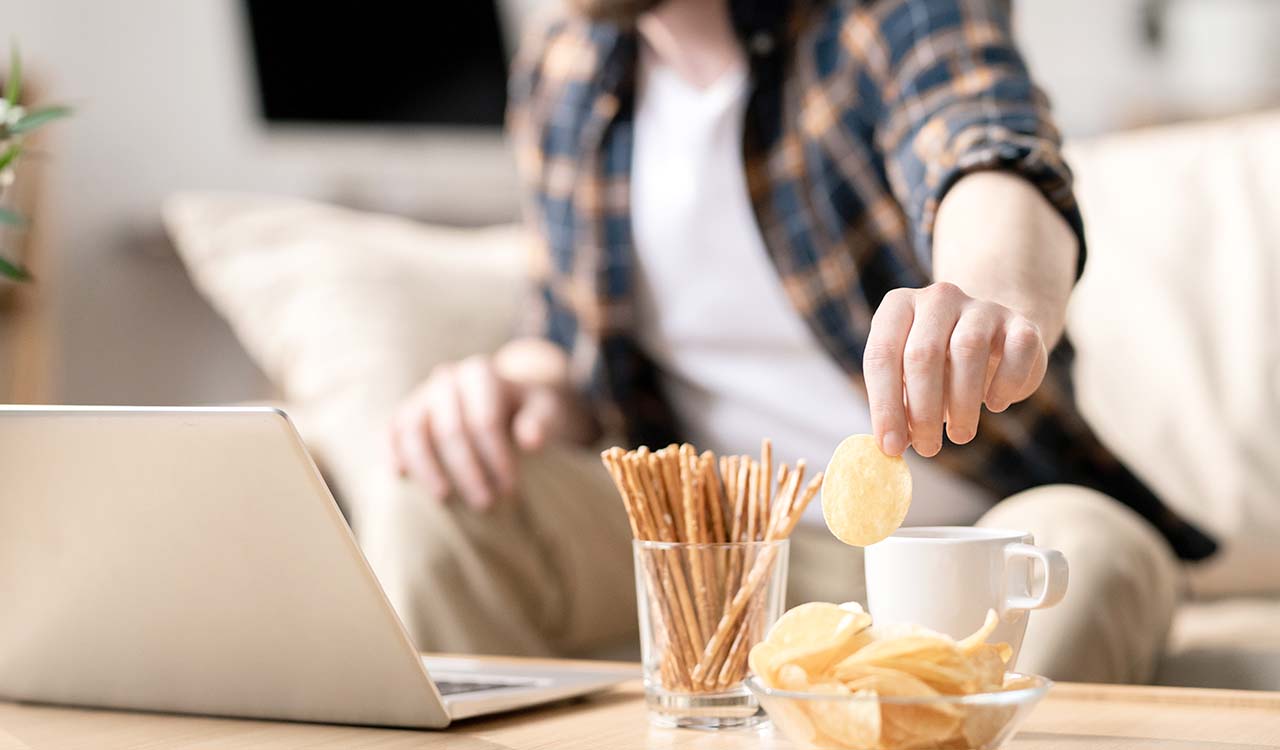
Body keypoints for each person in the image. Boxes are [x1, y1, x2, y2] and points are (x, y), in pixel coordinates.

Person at [384, 0, 1216, 683]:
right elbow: (566, 343)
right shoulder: (562, 68)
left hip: (964, 535)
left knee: (1092, 554)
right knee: (444, 501)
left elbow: (986, 149)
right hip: (717, 554)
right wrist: (519, 389)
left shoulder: (884, 17)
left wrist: (983, 300)